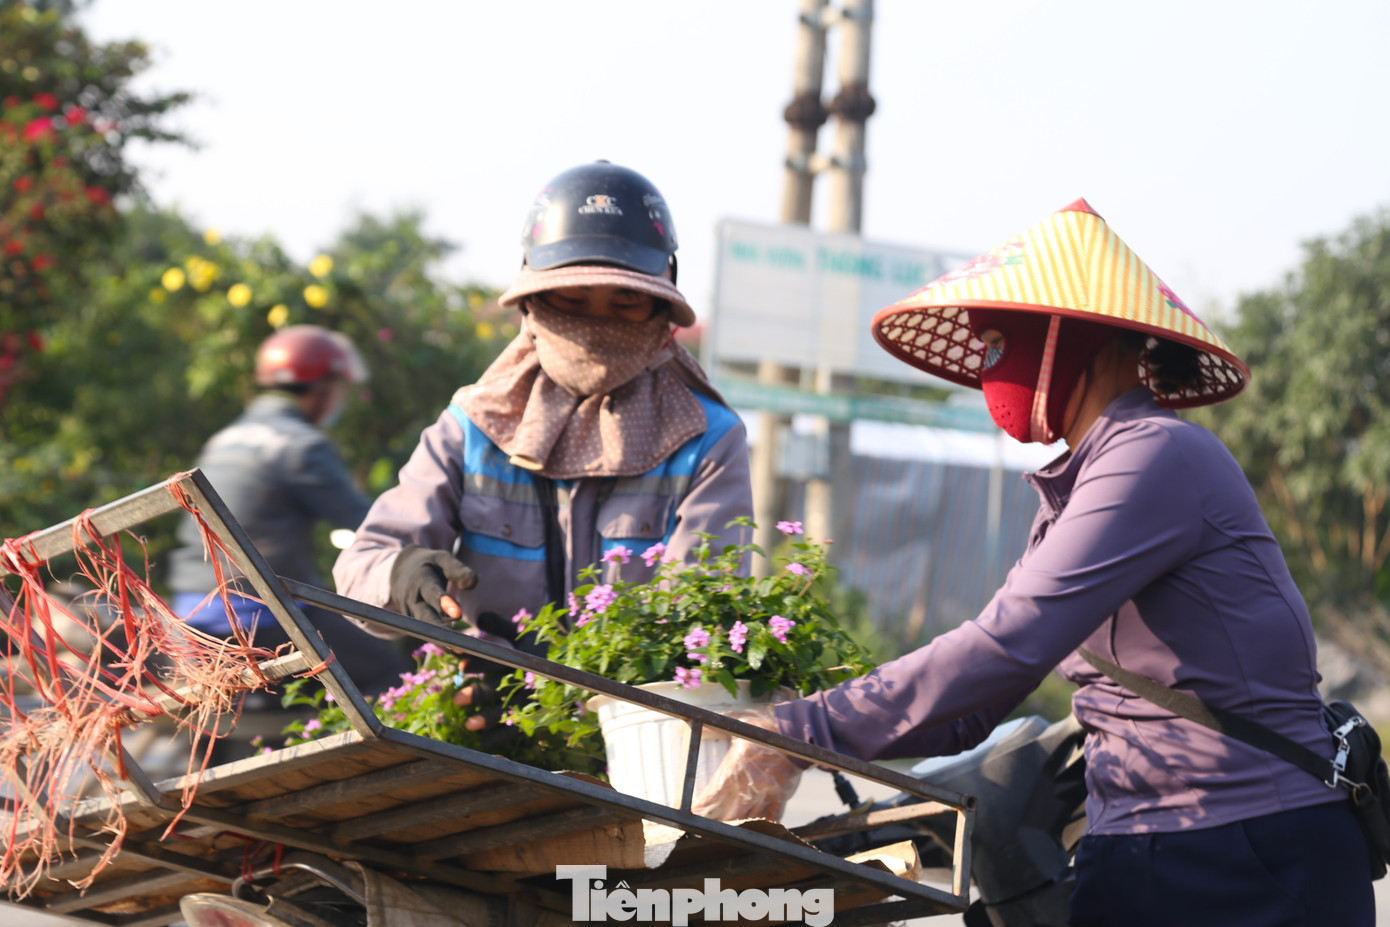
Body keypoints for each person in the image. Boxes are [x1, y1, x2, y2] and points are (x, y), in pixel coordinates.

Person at [693, 199, 1375, 926]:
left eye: (1001, 341)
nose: (990, 363)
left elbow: (1005, 643)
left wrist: (802, 731)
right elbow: (980, 700)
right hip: (1141, 840)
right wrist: (805, 735)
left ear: (1072, 335)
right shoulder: (1077, 487)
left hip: (1243, 849)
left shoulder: (1156, 454)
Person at [333, 161, 754, 733]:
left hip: (640, 740)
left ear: (661, 307)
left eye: (625, 303)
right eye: (572, 302)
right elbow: (361, 563)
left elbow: (708, 614)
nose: (595, 326)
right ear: (533, 302)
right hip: (484, 725)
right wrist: (402, 573)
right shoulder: (475, 426)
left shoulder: (706, 439)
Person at [168, 324, 410, 696]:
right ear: (322, 390)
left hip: (189, 619)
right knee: (392, 674)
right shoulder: (301, 446)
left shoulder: (224, 439)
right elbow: (365, 522)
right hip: (260, 620)